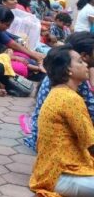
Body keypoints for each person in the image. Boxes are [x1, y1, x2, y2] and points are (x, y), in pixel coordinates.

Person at [30, 45, 94, 196]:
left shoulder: (58, 91)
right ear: (68, 71)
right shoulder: (70, 99)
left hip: (48, 172)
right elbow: (91, 144)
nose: (86, 64)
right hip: (61, 177)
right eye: (80, 62)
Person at [0, 6, 45, 80]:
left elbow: (13, 44)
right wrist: (15, 58)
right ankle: (33, 72)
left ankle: (35, 69)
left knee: (23, 55)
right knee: (19, 67)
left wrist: (36, 57)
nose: (8, 28)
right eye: (7, 25)